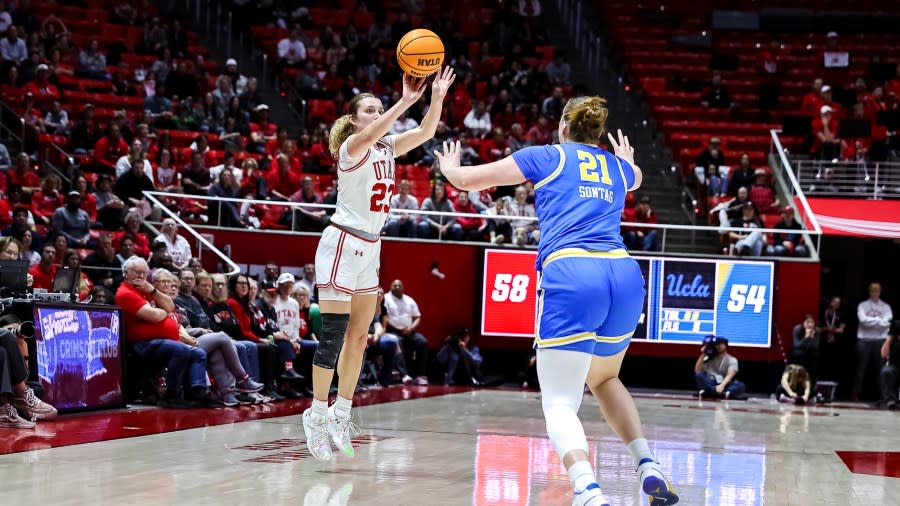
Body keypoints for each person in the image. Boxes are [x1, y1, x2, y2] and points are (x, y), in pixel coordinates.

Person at [434, 96, 678, 505]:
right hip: (623, 273)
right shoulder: (618, 168)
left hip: (574, 272)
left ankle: (586, 488)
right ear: (597, 132)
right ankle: (647, 464)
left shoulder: (547, 156)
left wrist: (448, 168)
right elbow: (636, 175)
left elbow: (470, 182)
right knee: (604, 378)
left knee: (561, 402)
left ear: (563, 127)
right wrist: (627, 157)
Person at [302, 68, 456, 462]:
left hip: (371, 247)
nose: (376, 112)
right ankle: (316, 415)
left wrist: (436, 96)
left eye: (379, 108)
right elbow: (374, 134)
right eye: (370, 109)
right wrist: (405, 101)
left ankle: (341, 412)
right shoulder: (354, 146)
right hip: (341, 242)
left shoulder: (386, 148)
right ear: (354, 119)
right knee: (333, 336)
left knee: (360, 337)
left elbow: (423, 134)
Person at [854, 283, 893, 401]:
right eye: (872, 291)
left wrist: (872, 322)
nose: (874, 293)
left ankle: (884, 394)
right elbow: (863, 320)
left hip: (880, 340)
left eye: (876, 291)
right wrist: (878, 320)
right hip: (864, 340)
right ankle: (855, 393)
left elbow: (887, 322)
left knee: (881, 368)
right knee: (860, 368)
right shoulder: (862, 305)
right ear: (869, 292)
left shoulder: (886, 307)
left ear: (880, 292)